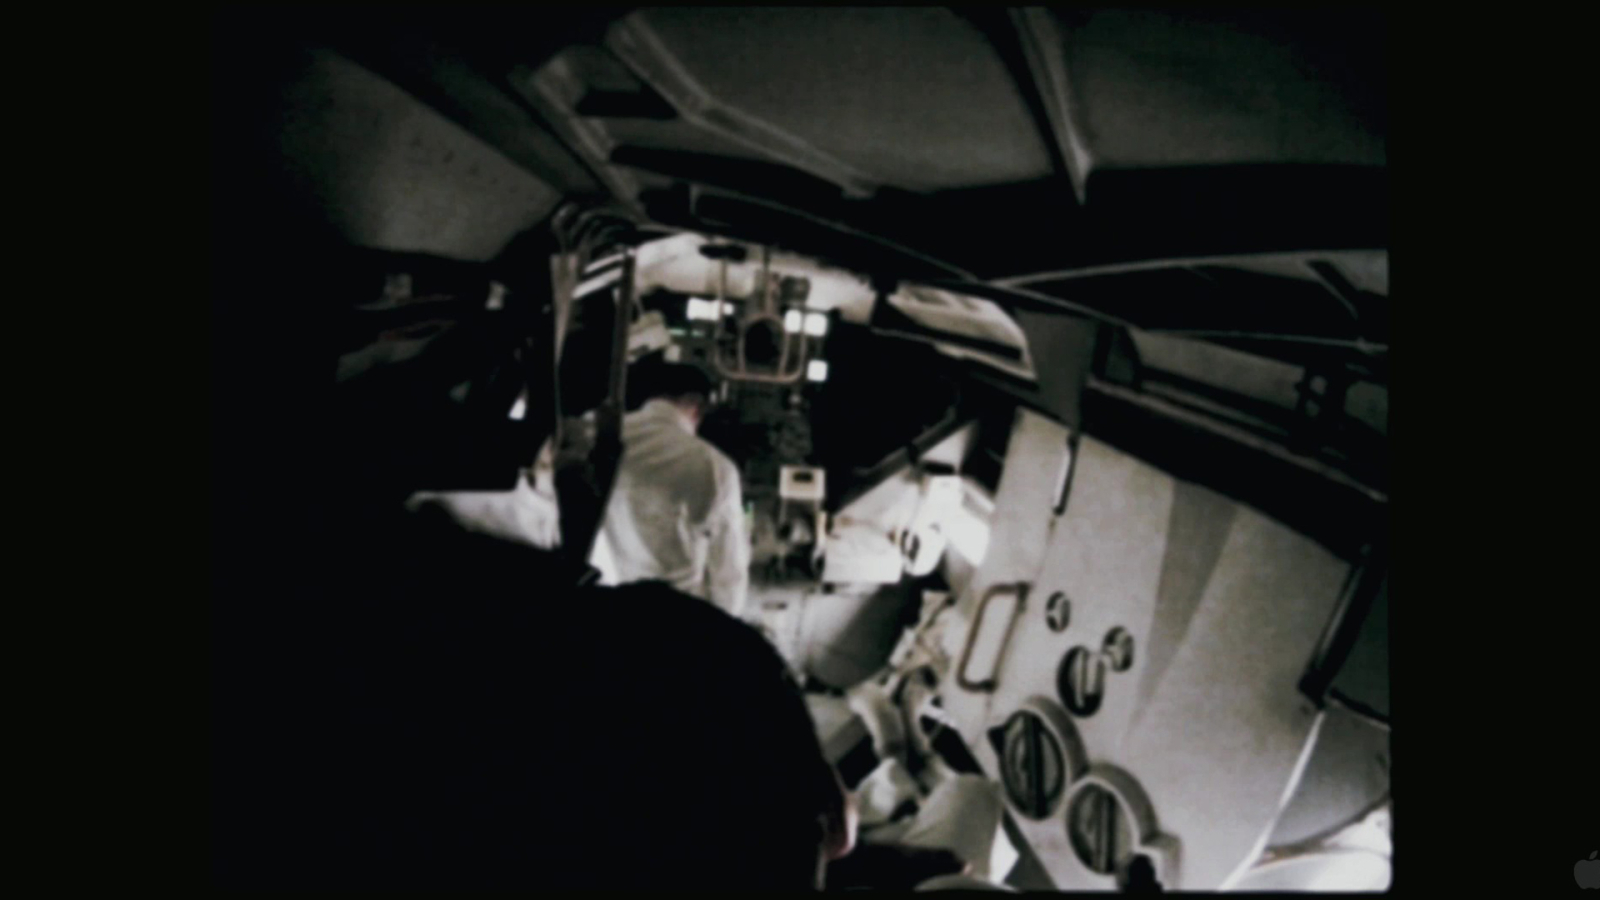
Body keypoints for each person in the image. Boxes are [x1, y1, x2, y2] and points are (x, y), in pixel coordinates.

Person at [595, 362, 751, 618]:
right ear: (695, 402)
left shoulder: (596, 434)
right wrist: (725, 625)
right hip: (674, 616)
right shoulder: (714, 466)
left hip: (599, 605)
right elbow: (728, 569)